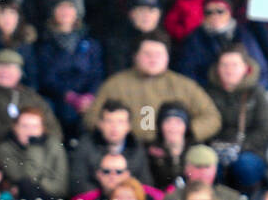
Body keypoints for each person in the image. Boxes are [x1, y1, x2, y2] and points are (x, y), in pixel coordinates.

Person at [84, 31, 221, 144]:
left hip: (173, 150)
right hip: (127, 151)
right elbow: (91, 118)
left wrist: (186, 133)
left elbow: (212, 117)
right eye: (147, 54)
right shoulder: (114, 85)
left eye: (158, 54)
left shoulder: (184, 85)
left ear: (167, 58)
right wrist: (115, 132)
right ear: (135, 56)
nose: (153, 59)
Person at [33, 0, 101, 137]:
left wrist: (89, 96)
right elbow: (46, 77)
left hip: (87, 101)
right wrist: (69, 96)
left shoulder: (90, 43)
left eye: (70, 6)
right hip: (56, 102)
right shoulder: (44, 44)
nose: (65, 11)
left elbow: (96, 73)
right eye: (60, 6)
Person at [204, 45, 268, 192]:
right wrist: (213, 147)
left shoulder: (257, 93)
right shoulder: (207, 93)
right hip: (214, 149)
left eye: (234, 65)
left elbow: (265, 129)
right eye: (224, 65)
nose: (229, 69)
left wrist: (240, 147)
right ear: (217, 69)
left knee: (246, 166)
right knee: (206, 165)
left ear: (245, 68)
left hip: (249, 150)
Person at [175, 0, 268, 89]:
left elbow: (262, 70)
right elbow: (186, 72)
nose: (214, 16)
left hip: (244, 92)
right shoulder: (194, 39)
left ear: (229, 13)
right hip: (209, 93)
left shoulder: (243, 34)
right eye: (209, 12)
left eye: (220, 11)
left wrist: (251, 94)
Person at [69, 97, 152, 197]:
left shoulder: (137, 148)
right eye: (109, 121)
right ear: (100, 124)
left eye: (120, 122)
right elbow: (77, 183)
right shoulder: (86, 145)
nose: (114, 127)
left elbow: (146, 185)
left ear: (128, 126)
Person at [0, 106, 68, 200]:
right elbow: (24, 179)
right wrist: (34, 147)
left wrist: (39, 183)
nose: (30, 131)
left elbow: (61, 187)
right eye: (25, 126)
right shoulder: (5, 148)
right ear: (15, 127)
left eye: (35, 127)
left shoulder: (54, 145)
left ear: (42, 129)